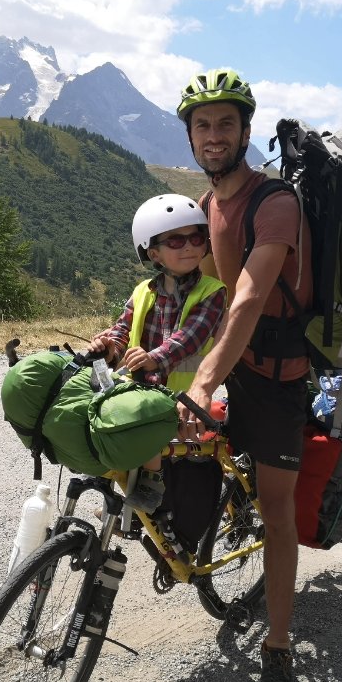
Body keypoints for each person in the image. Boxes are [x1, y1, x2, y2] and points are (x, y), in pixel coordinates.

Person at [176, 69, 312, 682]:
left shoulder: (275, 202)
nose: (213, 135)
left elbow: (251, 297)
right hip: (231, 358)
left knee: (278, 509)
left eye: (225, 123)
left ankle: (279, 649)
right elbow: (204, 298)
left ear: (246, 132)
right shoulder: (206, 207)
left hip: (278, 380)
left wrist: (204, 379)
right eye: (202, 125)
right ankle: (210, 525)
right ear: (191, 136)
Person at [87, 193, 227, 513]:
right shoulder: (142, 292)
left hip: (182, 397)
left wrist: (155, 357)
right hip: (140, 389)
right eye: (176, 241)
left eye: (195, 237)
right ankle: (134, 503)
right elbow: (123, 330)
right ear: (154, 253)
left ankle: (149, 490)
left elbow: (190, 337)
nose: (189, 246)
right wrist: (108, 345)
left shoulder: (212, 292)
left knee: (143, 438)